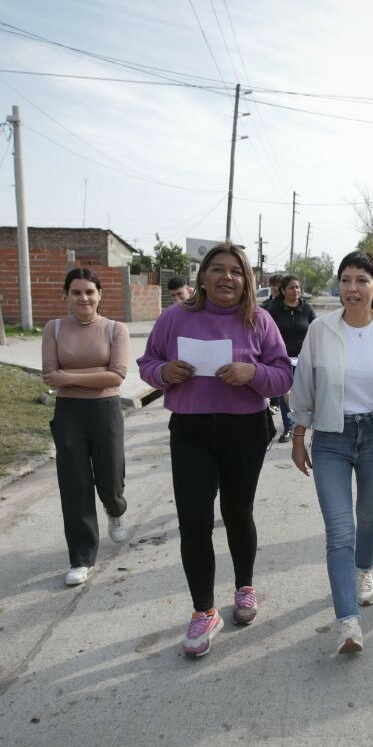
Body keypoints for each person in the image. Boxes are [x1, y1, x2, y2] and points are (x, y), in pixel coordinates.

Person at [138, 242, 292, 658]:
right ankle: (203, 611)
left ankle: (244, 586)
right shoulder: (174, 318)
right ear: (202, 277)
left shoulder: (259, 320)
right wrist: (164, 371)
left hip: (245, 429)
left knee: (237, 513)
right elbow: (147, 364)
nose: (227, 277)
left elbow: (283, 376)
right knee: (193, 521)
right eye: (218, 269)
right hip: (191, 430)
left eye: (236, 271)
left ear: (247, 280)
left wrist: (253, 373)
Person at [289, 251, 373, 654]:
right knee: (339, 530)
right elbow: (303, 386)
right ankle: (348, 621)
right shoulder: (321, 330)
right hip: (331, 438)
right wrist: (298, 435)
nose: (352, 288)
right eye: (346, 279)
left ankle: (364, 569)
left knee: (369, 517)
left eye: (362, 280)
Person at [42, 268, 131, 587]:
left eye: (90, 292)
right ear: (66, 295)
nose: (84, 298)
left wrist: (69, 377)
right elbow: (50, 375)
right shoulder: (53, 329)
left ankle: (115, 509)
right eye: (76, 292)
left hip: (106, 410)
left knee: (110, 477)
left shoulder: (115, 329)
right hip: (69, 412)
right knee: (75, 483)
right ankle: (81, 557)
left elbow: (116, 376)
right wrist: (93, 374)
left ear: (99, 295)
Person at [266, 274, 317, 443]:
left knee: (304, 394)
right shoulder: (274, 309)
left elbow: (316, 330)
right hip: (282, 360)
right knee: (285, 393)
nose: (296, 290)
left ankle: (303, 423)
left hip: (304, 360)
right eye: (292, 287)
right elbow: (267, 332)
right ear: (283, 291)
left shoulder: (306, 309)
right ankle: (288, 427)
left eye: (297, 287)